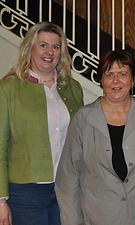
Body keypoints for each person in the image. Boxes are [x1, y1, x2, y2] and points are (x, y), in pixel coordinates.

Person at [55, 50, 135, 225]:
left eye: (122, 74)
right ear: (101, 80)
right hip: (96, 217)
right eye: (109, 74)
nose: (116, 81)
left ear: (132, 80)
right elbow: (68, 177)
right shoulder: (84, 118)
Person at [0, 21, 83, 225]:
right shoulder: (9, 88)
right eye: (43, 45)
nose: (50, 52)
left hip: (66, 190)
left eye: (56, 47)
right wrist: (1, 200)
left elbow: (81, 141)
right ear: (31, 48)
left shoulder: (73, 88)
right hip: (25, 192)